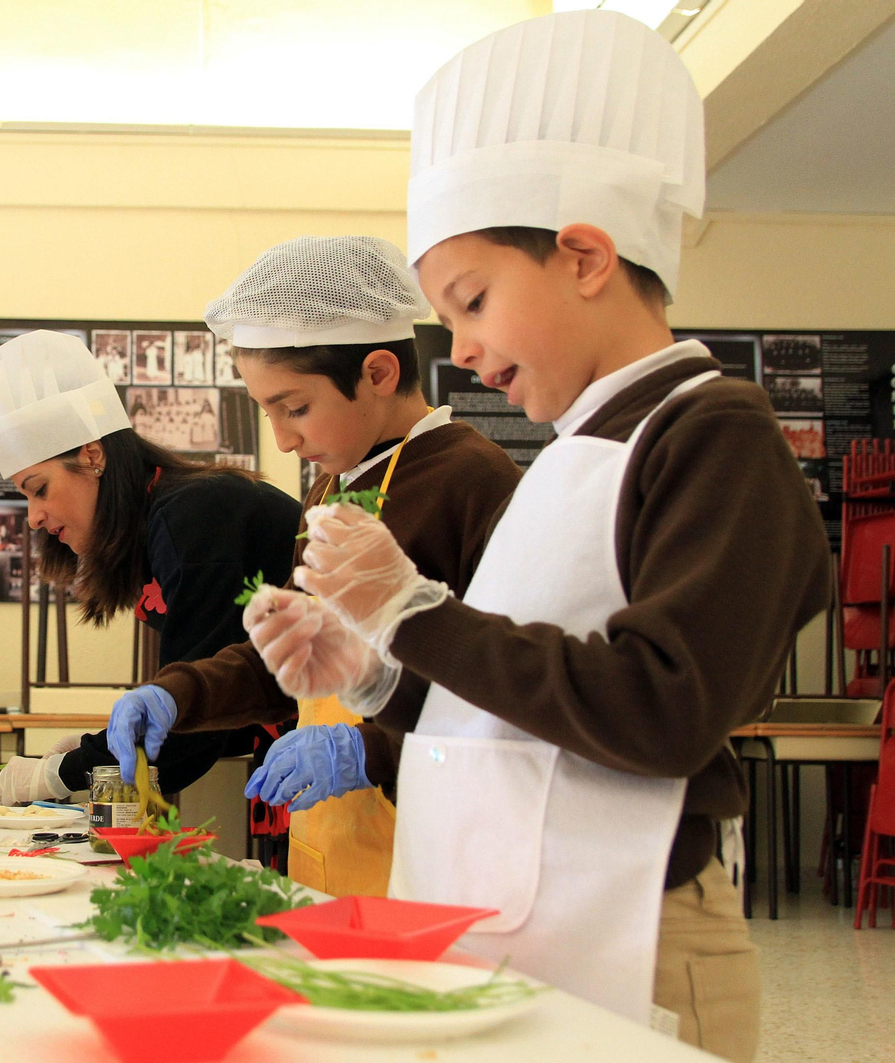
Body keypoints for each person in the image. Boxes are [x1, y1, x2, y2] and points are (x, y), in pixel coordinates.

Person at [242, 13, 829, 1060]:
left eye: (471, 302)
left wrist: (412, 610)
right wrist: (383, 676)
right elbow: (511, 722)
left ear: (586, 256)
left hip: (638, 930)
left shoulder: (711, 431)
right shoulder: (564, 454)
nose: (460, 351)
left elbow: (661, 709)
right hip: (503, 916)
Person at [106, 235, 519, 897]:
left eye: (294, 407)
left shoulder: (471, 481)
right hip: (327, 847)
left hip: (431, 859)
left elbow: (501, 700)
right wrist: (178, 694)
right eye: (267, 410)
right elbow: (294, 661)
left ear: (379, 373)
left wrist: (366, 751)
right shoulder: (330, 490)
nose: (283, 438)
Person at [0, 330, 300, 809]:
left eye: (38, 488)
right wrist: (99, 747)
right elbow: (214, 711)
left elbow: (190, 725)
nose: (33, 517)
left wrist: (65, 772)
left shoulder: (192, 517)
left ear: (92, 455)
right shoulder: (157, 523)